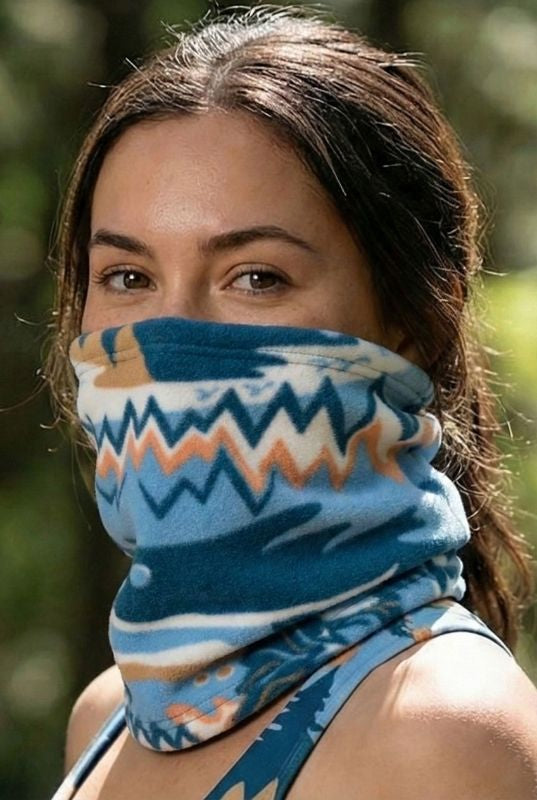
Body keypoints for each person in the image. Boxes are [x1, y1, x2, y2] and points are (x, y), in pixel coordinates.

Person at [48, 5, 537, 799]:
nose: (170, 344)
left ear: (414, 322)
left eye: (256, 277)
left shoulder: (440, 735)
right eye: (128, 278)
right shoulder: (106, 716)